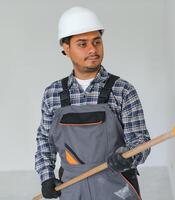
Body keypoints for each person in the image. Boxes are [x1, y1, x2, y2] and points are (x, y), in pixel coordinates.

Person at [34, 6, 151, 199]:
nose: (93, 49)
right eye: (82, 44)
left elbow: (141, 141)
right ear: (66, 48)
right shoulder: (53, 94)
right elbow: (45, 143)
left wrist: (127, 156)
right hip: (72, 189)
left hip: (116, 188)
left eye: (97, 41)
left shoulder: (122, 90)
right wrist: (46, 177)